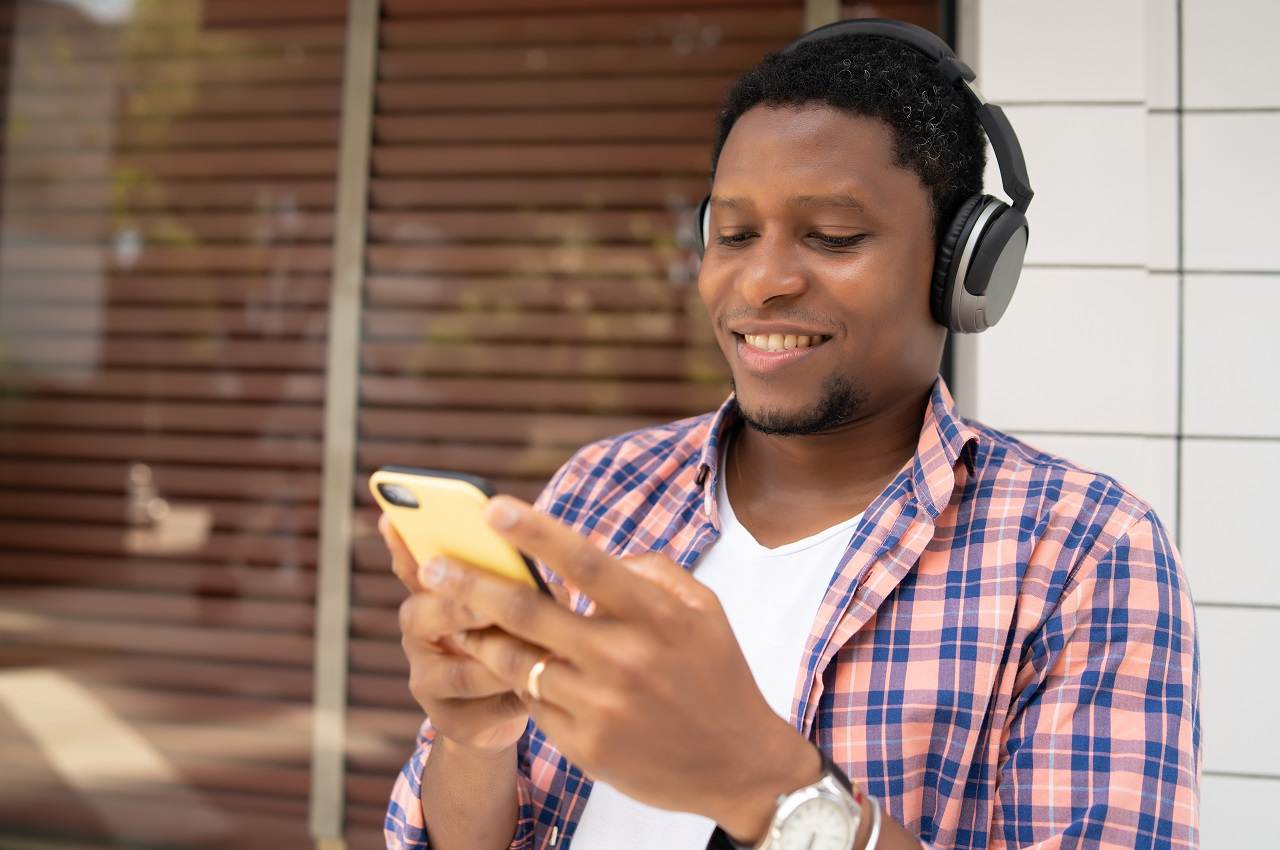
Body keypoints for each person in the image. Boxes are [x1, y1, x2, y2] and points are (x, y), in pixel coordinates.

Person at [382, 20, 1199, 850]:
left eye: (833, 237)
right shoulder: (603, 485)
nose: (763, 281)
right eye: (733, 235)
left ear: (965, 269)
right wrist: (472, 740)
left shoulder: (1080, 552)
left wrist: (768, 789)